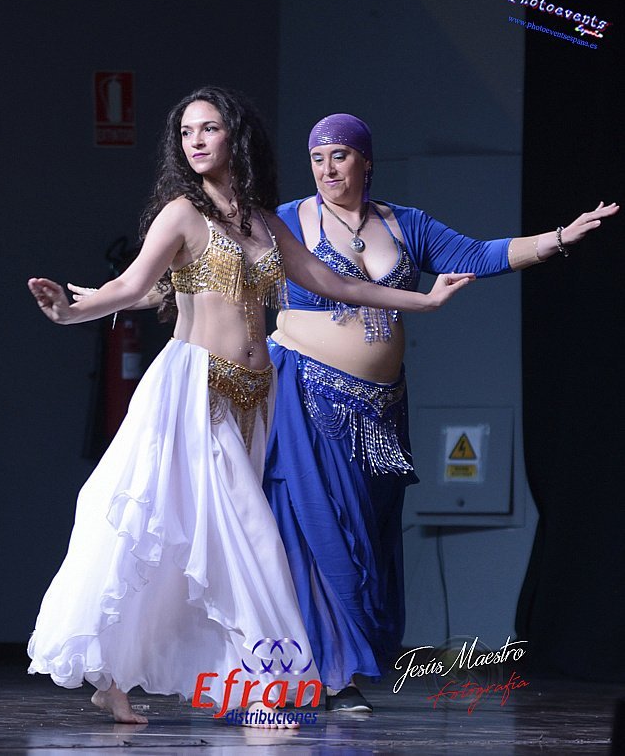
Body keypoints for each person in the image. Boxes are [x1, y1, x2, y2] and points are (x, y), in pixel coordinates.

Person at [25, 87, 474, 727]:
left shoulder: (264, 222)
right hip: (194, 392)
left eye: (209, 128)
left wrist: (423, 302)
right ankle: (269, 687)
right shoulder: (182, 215)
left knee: (196, 542)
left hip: (254, 398)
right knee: (245, 538)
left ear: (235, 136)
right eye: (186, 132)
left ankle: (116, 677)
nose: (196, 141)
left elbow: (332, 282)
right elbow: (132, 284)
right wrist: (72, 312)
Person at [263, 113, 617, 712]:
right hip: (307, 396)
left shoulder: (405, 225)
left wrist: (559, 238)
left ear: (366, 161)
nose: (327, 168)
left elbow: (479, 254)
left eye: (340, 155)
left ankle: (341, 661)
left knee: (368, 535)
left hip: (381, 409)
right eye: (317, 158)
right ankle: (332, 675)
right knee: (323, 528)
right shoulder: (287, 222)